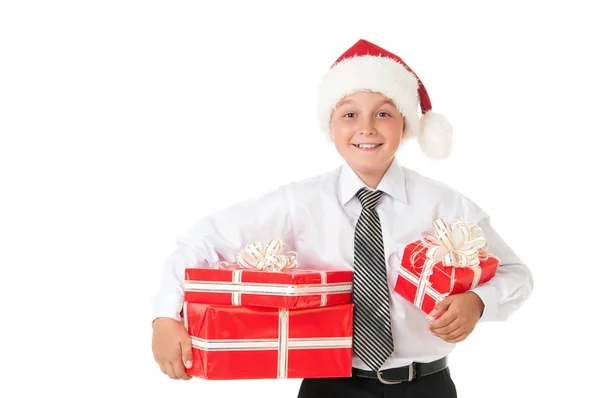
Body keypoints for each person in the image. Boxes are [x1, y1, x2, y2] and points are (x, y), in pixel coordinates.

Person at [151, 39, 534, 397]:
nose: (366, 128)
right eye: (349, 114)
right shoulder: (297, 203)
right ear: (330, 127)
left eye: (383, 113)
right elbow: (201, 242)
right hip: (329, 385)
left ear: (405, 126)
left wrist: (478, 301)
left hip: (426, 383)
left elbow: (515, 273)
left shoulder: (446, 206)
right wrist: (165, 318)